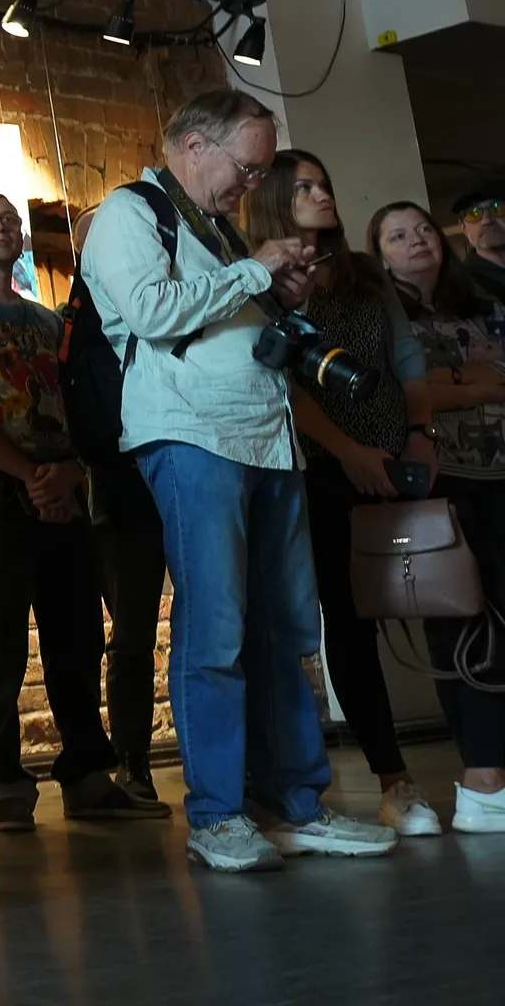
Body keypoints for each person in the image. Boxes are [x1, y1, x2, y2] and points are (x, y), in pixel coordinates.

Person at [79, 89, 396, 872]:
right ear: (195, 146)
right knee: (215, 632)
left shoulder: (217, 230)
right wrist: (254, 269)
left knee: (287, 633)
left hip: (270, 442)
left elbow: (228, 322)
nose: (253, 186)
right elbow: (152, 312)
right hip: (191, 434)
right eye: (247, 169)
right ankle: (218, 817)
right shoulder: (128, 212)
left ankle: (295, 806)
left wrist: (277, 295)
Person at [0, 192, 166, 833]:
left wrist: (72, 471)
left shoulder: (50, 322)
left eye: (8, 219)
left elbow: (87, 407)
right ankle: (4, 783)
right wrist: (31, 476)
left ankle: (87, 775)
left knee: (77, 641)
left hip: (63, 491)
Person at [246, 151, 442, 836]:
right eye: (304, 187)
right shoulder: (265, 281)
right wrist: (348, 451)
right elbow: (282, 386)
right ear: (276, 198)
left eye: (324, 184)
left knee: (446, 598)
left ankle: (483, 765)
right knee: (351, 623)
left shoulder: (362, 272)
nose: (322, 195)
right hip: (324, 470)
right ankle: (395, 780)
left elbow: (407, 360)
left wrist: (419, 434)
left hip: (402, 457)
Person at [370, 201, 505, 831]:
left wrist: (450, 381)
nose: (417, 240)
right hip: (439, 483)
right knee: (463, 627)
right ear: (380, 254)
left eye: (424, 229)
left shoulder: (483, 299)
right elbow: (397, 391)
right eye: (398, 236)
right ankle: (483, 778)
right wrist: (478, 382)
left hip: (500, 475)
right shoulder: (382, 314)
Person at [67, 203, 170, 807]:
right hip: (121, 487)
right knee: (132, 631)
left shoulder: (159, 295)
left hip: (173, 468)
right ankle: (134, 762)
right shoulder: (78, 319)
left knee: (214, 620)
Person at [452, 178, 505, 305]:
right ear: (463, 227)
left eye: (498, 209)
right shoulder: (463, 286)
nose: (487, 220)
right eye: (473, 214)